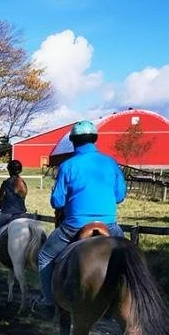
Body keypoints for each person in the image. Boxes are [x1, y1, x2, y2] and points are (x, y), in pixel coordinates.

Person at [36, 120, 127, 310]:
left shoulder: (67, 166)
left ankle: (48, 301)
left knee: (44, 256)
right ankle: (127, 300)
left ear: (73, 141)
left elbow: (57, 202)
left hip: (74, 225)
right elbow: (119, 196)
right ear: (94, 139)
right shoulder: (111, 163)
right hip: (109, 224)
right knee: (128, 258)